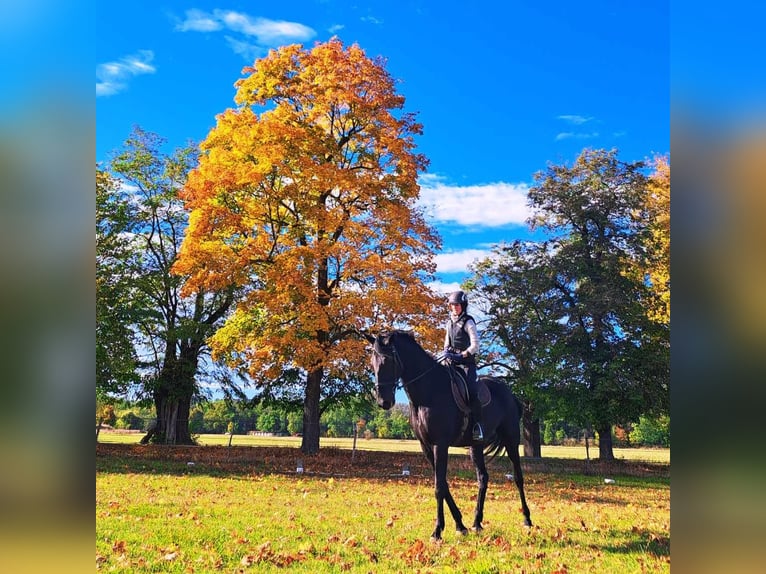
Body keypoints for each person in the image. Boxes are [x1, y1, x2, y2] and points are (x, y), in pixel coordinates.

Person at [444, 290, 484, 441]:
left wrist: (462, 355)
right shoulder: (449, 323)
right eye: (452, 305)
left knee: (472, 391)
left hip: (467, 364)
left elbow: (475, 346)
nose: (454, 307)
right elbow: (447, 343)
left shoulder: (469, 322)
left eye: (457, 305)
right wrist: (447, 352)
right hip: (452, 363)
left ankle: (477, 427)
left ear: (463, 306)